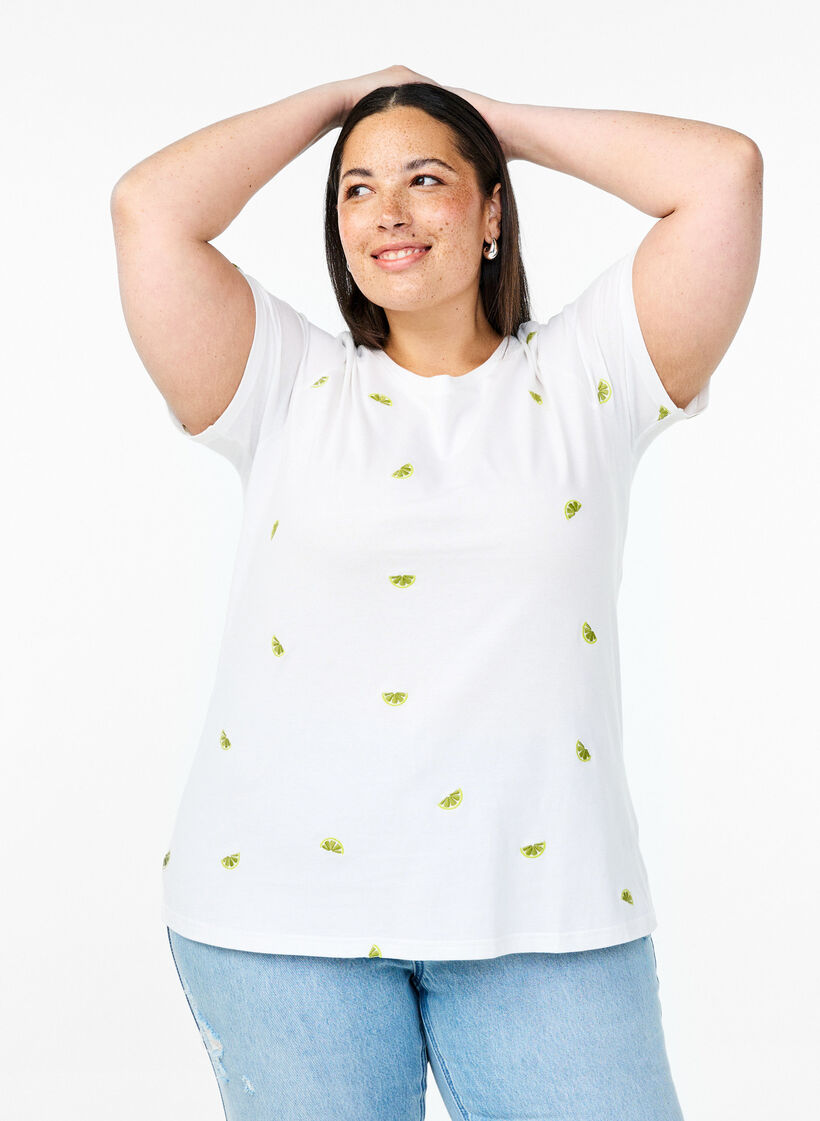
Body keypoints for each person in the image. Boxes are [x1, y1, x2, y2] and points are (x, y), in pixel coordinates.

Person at [110, 65, 762, 1121]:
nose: (389, 212)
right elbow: (150, 208)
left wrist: (487, 121)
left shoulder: (588, 376)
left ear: (492, 210)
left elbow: (723, 174)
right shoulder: (282, 381)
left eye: (425, 179)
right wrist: (345, 101)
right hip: (282, 916)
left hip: (546, 915)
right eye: (357, 189)